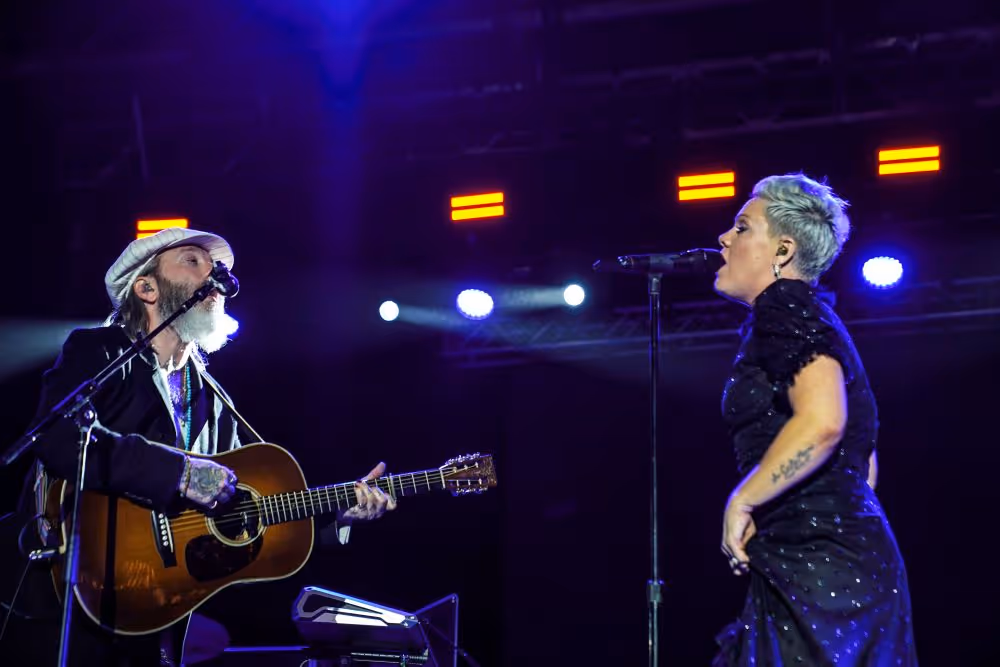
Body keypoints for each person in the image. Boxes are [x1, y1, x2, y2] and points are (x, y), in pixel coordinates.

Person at [0, 228, 396, 666]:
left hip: (150, 618)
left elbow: (254, 508)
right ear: (147, 289)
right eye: (193, 261)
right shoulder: (98, 351)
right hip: (59, 600)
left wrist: (336, 514)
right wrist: (179, 473)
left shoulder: (214, 399)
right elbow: (57, 438)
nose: (215, 274)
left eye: (216, 266)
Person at [711, 174, 917, 665]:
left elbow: (824, 421)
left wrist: (745, 499)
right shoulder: (812, 318)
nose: (724, 238)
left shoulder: (784, 306)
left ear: (783, 250)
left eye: (742, 227)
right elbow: (862, 465)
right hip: (828, 558)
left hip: (819, 567)